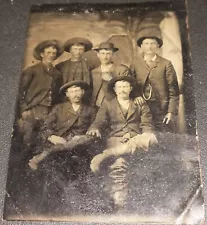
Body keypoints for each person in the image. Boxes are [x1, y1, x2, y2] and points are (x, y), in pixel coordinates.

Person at [87, 76, 157, 210]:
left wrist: (139, 135)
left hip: (136, 139)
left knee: (150, 138)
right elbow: (98, 121)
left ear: (130, 89)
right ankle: (120, 204)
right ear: (114, 89)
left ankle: (105, 155)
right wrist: (94, 128)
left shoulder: (140, 103)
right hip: (116, 139)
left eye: (125, 86)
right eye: (119, 86)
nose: (122, 89)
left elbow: (147, 124)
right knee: (119, 163)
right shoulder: (108, 103)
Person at [28, 80, 98, 170]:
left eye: (77, 91)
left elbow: (94, 128)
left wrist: (82, 137)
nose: (75, 94)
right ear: (67, 94)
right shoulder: (59, 108)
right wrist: (51, 136)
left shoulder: (91, 110)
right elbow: (45, 126)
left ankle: (43, 156)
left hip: (79, 144)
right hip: (59, 140)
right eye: (72, 92)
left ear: (83, 92)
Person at [19, 40, 64, 146]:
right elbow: (20, 91)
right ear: (42, 54)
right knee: (28, 140)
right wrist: (24, 109)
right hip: (33, 110)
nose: (51, 55)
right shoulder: (31, 71)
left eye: (54, 53)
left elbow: (57, 94)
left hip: (49, 111)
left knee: (44, 140)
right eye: (48, 52)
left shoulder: (57, 74)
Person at [132, 33, 179, 132]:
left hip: (161, 108)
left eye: (153, 43)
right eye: (146, 43)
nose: (149, 46)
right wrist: (136, 95)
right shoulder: (135, 63)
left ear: (158, 46)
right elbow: (130, 83)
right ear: (141, 46)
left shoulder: (166, 64)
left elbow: (173, 90)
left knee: (164, 135)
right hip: (141, 108)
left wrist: (171, 112)